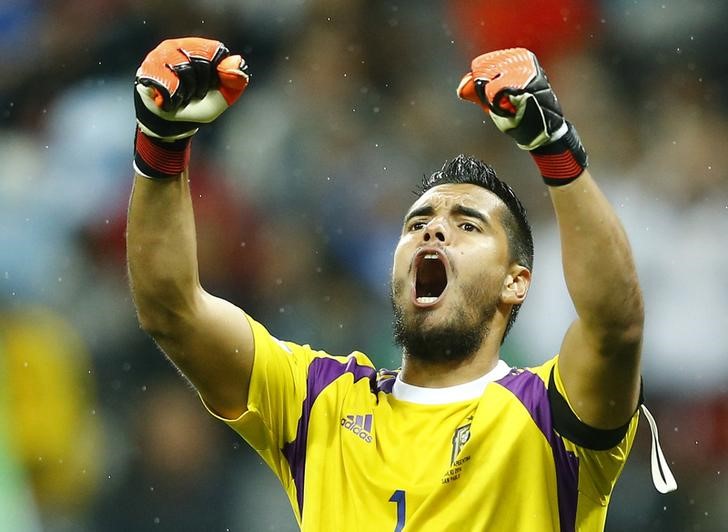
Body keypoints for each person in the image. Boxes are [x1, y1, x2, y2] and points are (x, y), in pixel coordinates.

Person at [127, 38, 675, 531]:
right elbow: (171, 310)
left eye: (468, 225)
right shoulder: (317, 401)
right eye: (417, 224)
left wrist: (555, 148)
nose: (433, 228)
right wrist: (161, 141)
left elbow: (616, 324)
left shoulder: (548, 412)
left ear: (516, 283)